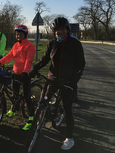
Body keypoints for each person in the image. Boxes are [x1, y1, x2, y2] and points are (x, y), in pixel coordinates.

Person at [29, 17, 85, 150]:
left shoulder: (74, 43)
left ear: (67, 30)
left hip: (68, 81)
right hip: (53, 78)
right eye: (57, 30)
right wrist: (35, 68)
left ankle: (70, 138)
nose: (60, 32)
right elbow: (45, 59)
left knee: (67, 109)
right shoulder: (52, 43)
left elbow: (81, 64)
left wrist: (74, 80)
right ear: (54, 31)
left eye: (62, 29)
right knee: (43, 100)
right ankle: (43, 116)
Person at [0, 24, 36, 131]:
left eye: (21, 34)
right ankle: (13, 109)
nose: (18, 35)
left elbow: (29, 61)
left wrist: (25, 73)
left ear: (25, 34)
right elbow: (9, 56)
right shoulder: (15, 45)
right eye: (17, 34)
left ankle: (31, 117)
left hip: (25, 75)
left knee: (26, 96)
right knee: (14, 93)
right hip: (15, 72)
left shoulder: (30, 46)